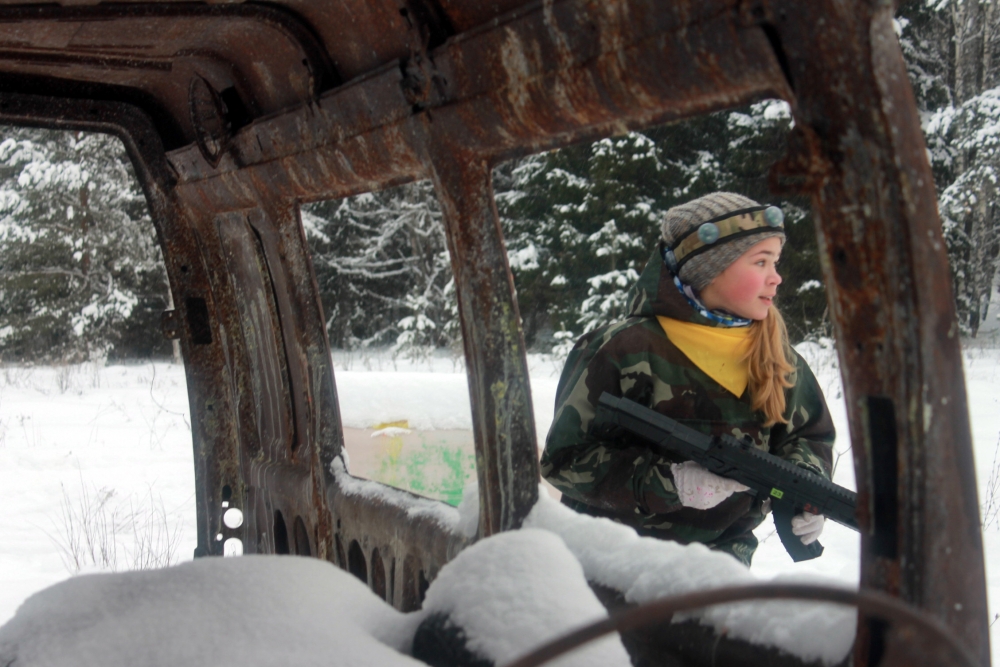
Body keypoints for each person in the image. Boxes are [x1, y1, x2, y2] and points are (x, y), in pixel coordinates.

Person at [540, 192, 835, 566]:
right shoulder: (624, 348)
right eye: (761, 262)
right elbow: (564, 459)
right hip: (608, 562)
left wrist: (806, 491)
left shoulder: (779, 358)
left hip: (719, 566)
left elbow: (808, 438)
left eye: (776, 262)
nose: (776, 277)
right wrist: (670, 483)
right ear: (710, 268)